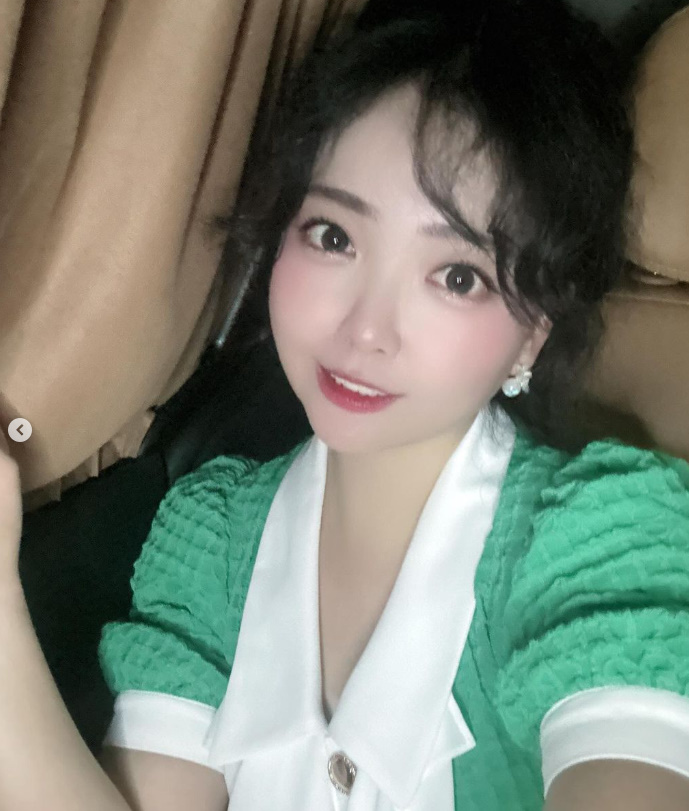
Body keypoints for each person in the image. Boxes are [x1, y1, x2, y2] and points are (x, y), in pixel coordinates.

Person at [1, 1, 689, 809]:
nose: (365, 329)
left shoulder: (599, 539)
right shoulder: (210, 533)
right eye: (333, 236)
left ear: (532, 333)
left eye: (456, 276)